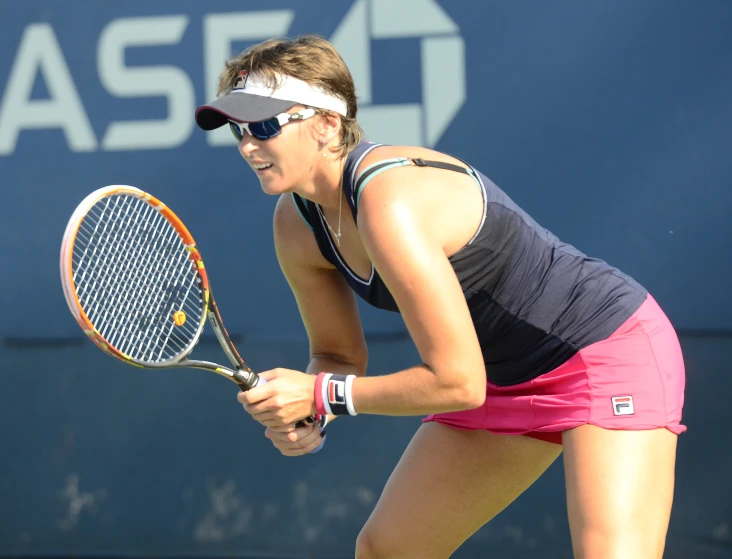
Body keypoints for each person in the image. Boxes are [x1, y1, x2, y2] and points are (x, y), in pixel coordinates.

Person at [194, 34, 686, 559]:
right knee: (389, 550)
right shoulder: (295, 224)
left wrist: (323, 395)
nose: (248, 145)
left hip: (606, 351)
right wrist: (309, 410)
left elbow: (456, 381)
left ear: (327, 123)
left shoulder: (389, 202)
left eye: (265, 126)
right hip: (501, 376)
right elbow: (338, 357)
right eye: (239, 130)